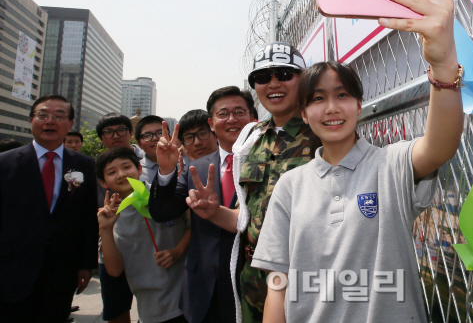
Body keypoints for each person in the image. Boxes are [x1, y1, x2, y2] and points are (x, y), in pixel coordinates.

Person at [250, 0, 464, 322]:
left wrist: (444, 67)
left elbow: (439, 146)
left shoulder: (390, 165)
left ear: (359, 105)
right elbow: (278, 281)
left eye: (342, 95)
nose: (331, 108)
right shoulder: (290, 186)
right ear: (304, 113)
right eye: (317, 99)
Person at [186, 41, 315, 323]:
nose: (272, 84)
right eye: (262, 77)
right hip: (252, 280)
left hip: (304, 280)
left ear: (303, 79)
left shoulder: (321, 133)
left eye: (283, 74)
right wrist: (214, 212)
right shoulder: (251, 138)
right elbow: (248, 218)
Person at [148, 87, 255, 323]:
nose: (232, 119)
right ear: (212, 122)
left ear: (253, 119)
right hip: (203, 290)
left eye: (239, 112)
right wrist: (165, 170)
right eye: (223, 113)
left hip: (253, 285)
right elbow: (162, 212)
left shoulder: (270, 164)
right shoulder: (198, 168)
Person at [0, 94, 98, 322]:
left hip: (61, 270)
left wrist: (86, 264)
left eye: (59, 116)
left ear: (70, 124)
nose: (50, 121)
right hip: (11, 268)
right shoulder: (5, 163)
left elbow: (87, 217)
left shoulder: (83, 165)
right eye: (43, 115)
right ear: (31, 120)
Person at [96, 147, 190, 323]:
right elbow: (114, 271)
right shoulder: (109, 216)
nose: (121, 174)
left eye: (126, 167)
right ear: (103, 182)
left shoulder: (166, 195)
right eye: (112, 172)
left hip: (186, 297)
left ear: (139, 169)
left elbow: (194, 227)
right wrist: (106, 230)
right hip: (151, 307)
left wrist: (177, 251)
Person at [95, 112, 140, 323]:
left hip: (148, 250)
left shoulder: (152, 160)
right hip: (111, 250)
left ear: (130, 133)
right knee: (117, 310)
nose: (115, 135)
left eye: (121, 130)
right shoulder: (95, 170)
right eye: (108, 132)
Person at [134, 115, 167, 184]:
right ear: (139, 144)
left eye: (160, 133)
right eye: (147, 136)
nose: (155, 138)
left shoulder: (183, 166)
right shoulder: (135, 171)